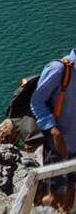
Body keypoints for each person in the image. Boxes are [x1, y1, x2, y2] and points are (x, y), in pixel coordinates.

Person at [31, 46, 76, 211]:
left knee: (72, 191)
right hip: (58, 145)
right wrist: (52, 130)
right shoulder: (59, 69)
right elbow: (37, 101)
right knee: (55, 196)